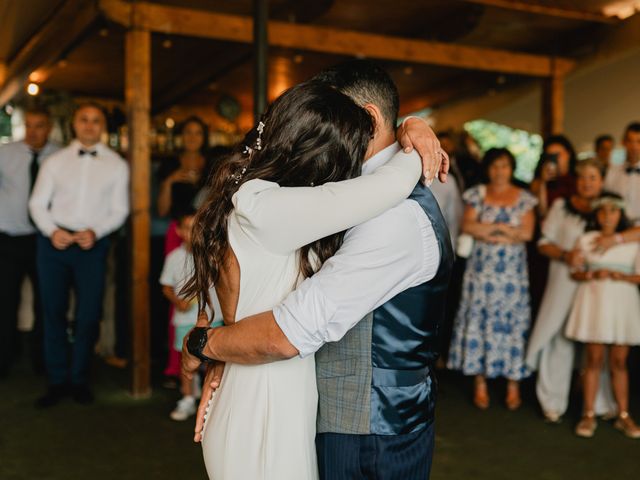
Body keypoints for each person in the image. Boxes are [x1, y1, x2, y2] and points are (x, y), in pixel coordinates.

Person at [181, 62, 449, 480]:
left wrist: (212, 347)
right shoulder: (284, 203)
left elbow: (285, 332)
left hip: (370, 428)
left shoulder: (394, 218)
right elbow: (277, 333)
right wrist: (415, 133)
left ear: (368, 119)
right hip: (287, 402)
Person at [29, 102, 129, 407]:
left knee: (88, 316)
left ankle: (80, 379)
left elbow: (120, 210)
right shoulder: (55, 162)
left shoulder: (117, 165)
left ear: (103, 127)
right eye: (83, 119)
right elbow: (36, 204)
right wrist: (51, 231)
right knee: (53, 313)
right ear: (74, 124)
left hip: (91, 246)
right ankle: (57, 381)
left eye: (95, 120)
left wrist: (97, 231)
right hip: (53, 245)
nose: (89, 125)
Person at [525, 159, 617, 423]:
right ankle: (552, 401)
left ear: (602, 180)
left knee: (596, 340)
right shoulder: (561, 206)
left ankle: (599, 402)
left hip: (598, 284)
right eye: (583, 177)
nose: (587, 183)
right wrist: (565, 255)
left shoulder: (611, 208)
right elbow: (544, 243)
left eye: (593, 177)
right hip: (564, 279)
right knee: (560, 337)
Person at [447, 148, 536, 410]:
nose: (500, 171)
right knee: (480, 319)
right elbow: (468, 226)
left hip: (512, 276)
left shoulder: (524, 197)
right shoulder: (478, 194)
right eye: (495, 166)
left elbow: (528, 233)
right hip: (481, 273)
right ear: (488, 168)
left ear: (512, 169)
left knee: (512, 323)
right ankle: (480, 383)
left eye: (505, 166)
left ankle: (512, 384)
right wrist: (505, 230)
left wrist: (490, 230)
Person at [565, 194, 640, 439]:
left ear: (621, 215)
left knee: (619, 361)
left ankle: (624, 414)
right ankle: (588, 413)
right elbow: (576, 271)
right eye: (603, 212)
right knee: (593, 359)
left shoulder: (632, 243)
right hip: (595, 301)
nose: (608, 217)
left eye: (613, 212)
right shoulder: (586, 239)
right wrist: (589, 275)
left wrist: (623, 277)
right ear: (596, 215)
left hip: (622, 303)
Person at [0, 106, 59, 379]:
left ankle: (42, 358)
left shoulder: (60, 155)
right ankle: (5, 357)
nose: (34, 131)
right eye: (30, 125)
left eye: (40, 125)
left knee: (45, 302)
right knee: (5, 300)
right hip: (8, 239)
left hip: (44, 238)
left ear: (49, 128)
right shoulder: (5, 152)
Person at [157, 116, 210, 383]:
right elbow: (162, 210)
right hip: (176, 233)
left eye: (197, 132)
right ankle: (174, 363)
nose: (192, 137)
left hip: (203, 232)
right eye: (187, 132)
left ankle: (202, 362)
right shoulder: (169, 163)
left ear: (204, 136)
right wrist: (171, 180)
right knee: (175, 293)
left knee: (205, 288)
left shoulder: (212, 165)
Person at [160, 210, 223, 421]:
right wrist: (178, 301)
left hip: (214, 318)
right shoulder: (174, 258)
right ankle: (187, 398)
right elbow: (166, 286)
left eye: (197, 228)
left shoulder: (214, 254)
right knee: (187, 363)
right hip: (185, 320)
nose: (193, 233)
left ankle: (212, 400)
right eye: (187, 228)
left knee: (213, 361)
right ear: (179, 231)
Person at [530, 135, 577, 218]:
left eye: (558, 155)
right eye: (550, 156)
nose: (555, 159)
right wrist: (543, 182)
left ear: (568, 154)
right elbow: (541, 213)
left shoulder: (579, 178)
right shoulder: (539, 182)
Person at [604, 122, 640, 225]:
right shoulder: (612, 172)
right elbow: (607, 202)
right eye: (630, 141)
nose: (634, 147)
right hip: (618, 229)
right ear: (623, 143)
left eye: (639, 141)